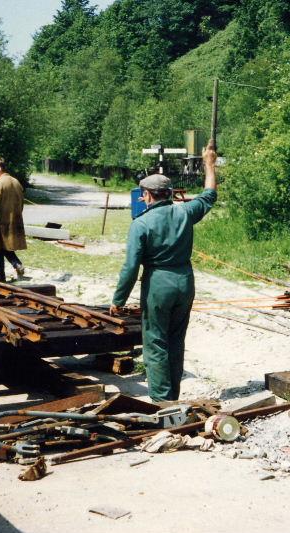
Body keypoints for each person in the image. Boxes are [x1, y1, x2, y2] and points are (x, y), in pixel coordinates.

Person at [110, 144, 218, 402]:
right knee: (176, 341)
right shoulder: (185, 212)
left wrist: (118, 301)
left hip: (158, 284)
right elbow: (210, 194)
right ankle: (174, 395)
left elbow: (130, 267)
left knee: (156, 343)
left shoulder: (141, 224)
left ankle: (162, 402)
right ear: (168, 193)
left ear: (146, 195)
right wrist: (209, 163)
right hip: (185, 281)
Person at [0, 156, 27, 281]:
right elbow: (21, 203)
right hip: (13, 220)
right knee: (4, 247)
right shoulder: (16, 181)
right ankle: (16, 264)